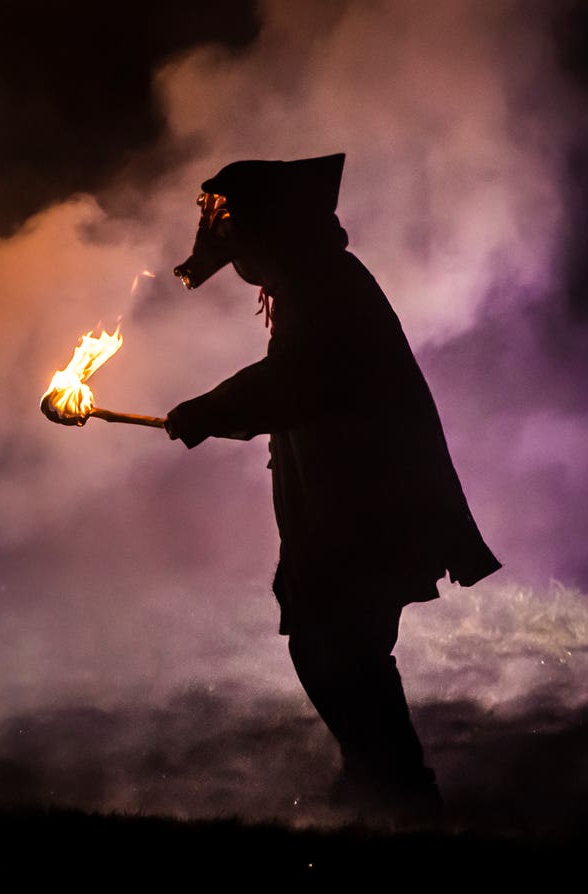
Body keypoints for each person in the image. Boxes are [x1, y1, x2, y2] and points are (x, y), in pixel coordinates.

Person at [166, 153, 501, 823]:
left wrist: (208, 411)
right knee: (324, 643)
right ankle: (375, 777)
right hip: (338, 505)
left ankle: (400, 791)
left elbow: (295, 382)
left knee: (345, 646)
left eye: (246, 237)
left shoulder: (327, 289)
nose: (237, 257)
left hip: (369, 504)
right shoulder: (309, 283)